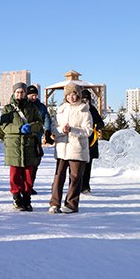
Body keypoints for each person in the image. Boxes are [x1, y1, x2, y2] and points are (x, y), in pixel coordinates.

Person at [48, 83, 93, 214]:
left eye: (74, 94)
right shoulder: (61, 109)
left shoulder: (84, 110)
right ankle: (54, 203)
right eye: (68, 94)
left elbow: (88, 131)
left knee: (75, 178)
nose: (71, 97)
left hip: (77, 149)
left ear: (78, 94)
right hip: (62, 148)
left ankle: (71, 204)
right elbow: (53, 127)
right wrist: (61, 130)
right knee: (58, 177)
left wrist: (72, 130)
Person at [0, 82, 42, 211]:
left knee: (28, 174)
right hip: (14, 146)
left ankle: (27, 198)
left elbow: (39, 123)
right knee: (15, 174)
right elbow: (4, 126)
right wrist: (18, 128)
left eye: (22, 92)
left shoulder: (32, 108)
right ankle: (17, 198)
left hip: (29, 145)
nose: (20, 94)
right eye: (17, 92)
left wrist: (31, 127)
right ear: (13, 93)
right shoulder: (8, 109)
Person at [26, 85, 52, 195]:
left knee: (35, 162)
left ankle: (30, 185)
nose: (34, 97)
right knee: (25, 164)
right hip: (26, 138)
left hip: (37, 138)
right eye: (32, 95)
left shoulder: (41, 106)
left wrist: (47, 131)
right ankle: (24, 186)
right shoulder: (24, 106)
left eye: (35, 95)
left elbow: (46, 118)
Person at [80, 89, 105, 194]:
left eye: (87, 99)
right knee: (78, 166)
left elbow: (100, 122)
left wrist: (98, 125)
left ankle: (85, 186)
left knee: (88, 165)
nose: (85, 101)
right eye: (83, 99)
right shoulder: (78, 110)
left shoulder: (93, 109)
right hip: (79, 142)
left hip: (91, 142)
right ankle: (76, 185)